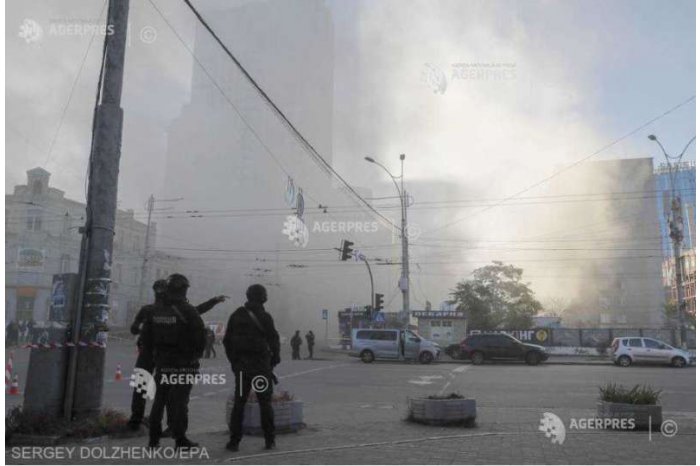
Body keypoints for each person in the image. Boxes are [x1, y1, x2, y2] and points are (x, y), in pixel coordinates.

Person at [128, 282, 227, 431]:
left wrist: (145, 331)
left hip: (147, 352)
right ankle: (170, 426)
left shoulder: (148, 310)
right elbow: (197, 310)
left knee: (142, 387)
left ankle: (136, 421)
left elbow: (134, 329)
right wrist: (214, 301)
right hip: (165, 356)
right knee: (169, 391)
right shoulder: (175, 311)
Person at [141, 274, 207, 449]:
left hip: (163, 363)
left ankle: (153, 440)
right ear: (184, 290)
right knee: (180, 402)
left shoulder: (155, 311)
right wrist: (194, 357)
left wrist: (156, 356)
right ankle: (180, 439)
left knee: (159, 400)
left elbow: (146, 338)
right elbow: (201, 338)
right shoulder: (188, 311)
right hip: (184, 364)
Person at [224, 284, 280, 452]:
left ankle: (234, 442)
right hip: (260, 368)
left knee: (239, 404)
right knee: (265, 404)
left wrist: (234, 363)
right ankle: (269, 440)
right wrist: (270, 364)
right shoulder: (265, 317)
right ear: (263, 297)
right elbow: (274, 342)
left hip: (242, 369)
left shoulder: (236, 315)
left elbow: (227, 341)